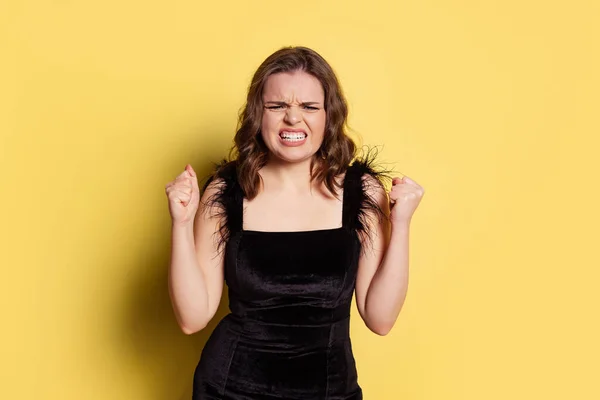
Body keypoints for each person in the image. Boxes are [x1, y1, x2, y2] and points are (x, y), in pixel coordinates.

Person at [165, 46, 424, 399]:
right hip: (231, 389)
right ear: (259, 115)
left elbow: (380, 319)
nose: (293, 119)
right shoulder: (225, 192)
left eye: (309, 107)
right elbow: (191, 318)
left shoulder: (361, 192)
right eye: (277, 106)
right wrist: (180, 223)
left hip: (329, 390)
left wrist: (403, 223)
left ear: (328, 116)